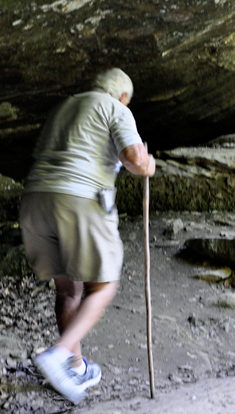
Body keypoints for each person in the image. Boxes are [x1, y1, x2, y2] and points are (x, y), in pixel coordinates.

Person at [19, 68, 156, 404]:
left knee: (68, 289)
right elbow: (135, 158)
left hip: (36, 200)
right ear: (123, 96)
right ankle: (58, 354)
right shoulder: (116, 109)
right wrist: (148, 165)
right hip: (78, 200)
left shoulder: (64, 107)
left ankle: (75, 367)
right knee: (104, 284)